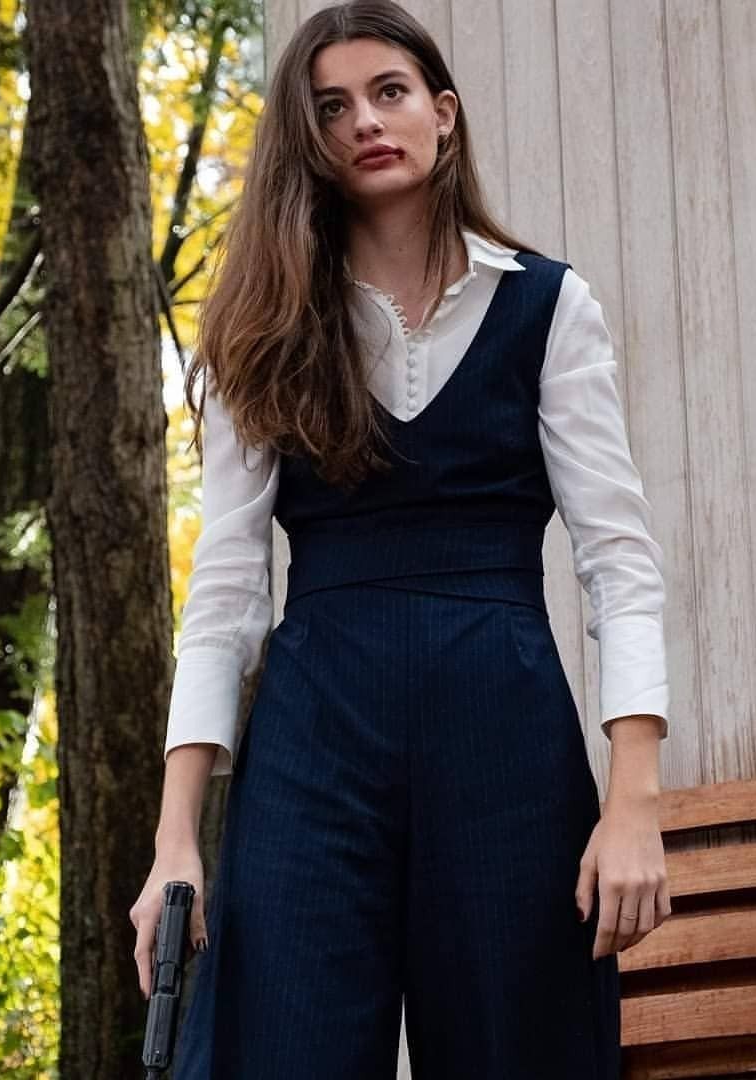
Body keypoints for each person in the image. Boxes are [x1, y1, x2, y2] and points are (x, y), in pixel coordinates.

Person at [129, 1, 671, 1076]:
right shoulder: (263, 329)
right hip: (313, 748)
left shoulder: (549, 308)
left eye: (389, 92)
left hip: (505, 740)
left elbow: (620, 563)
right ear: (307, 141)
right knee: (279, 1045)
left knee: (524, 1052)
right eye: (331, 108)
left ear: (443, 113)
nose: (365, 122)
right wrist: (174, 839)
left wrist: (632, 800)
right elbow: (225, 595)